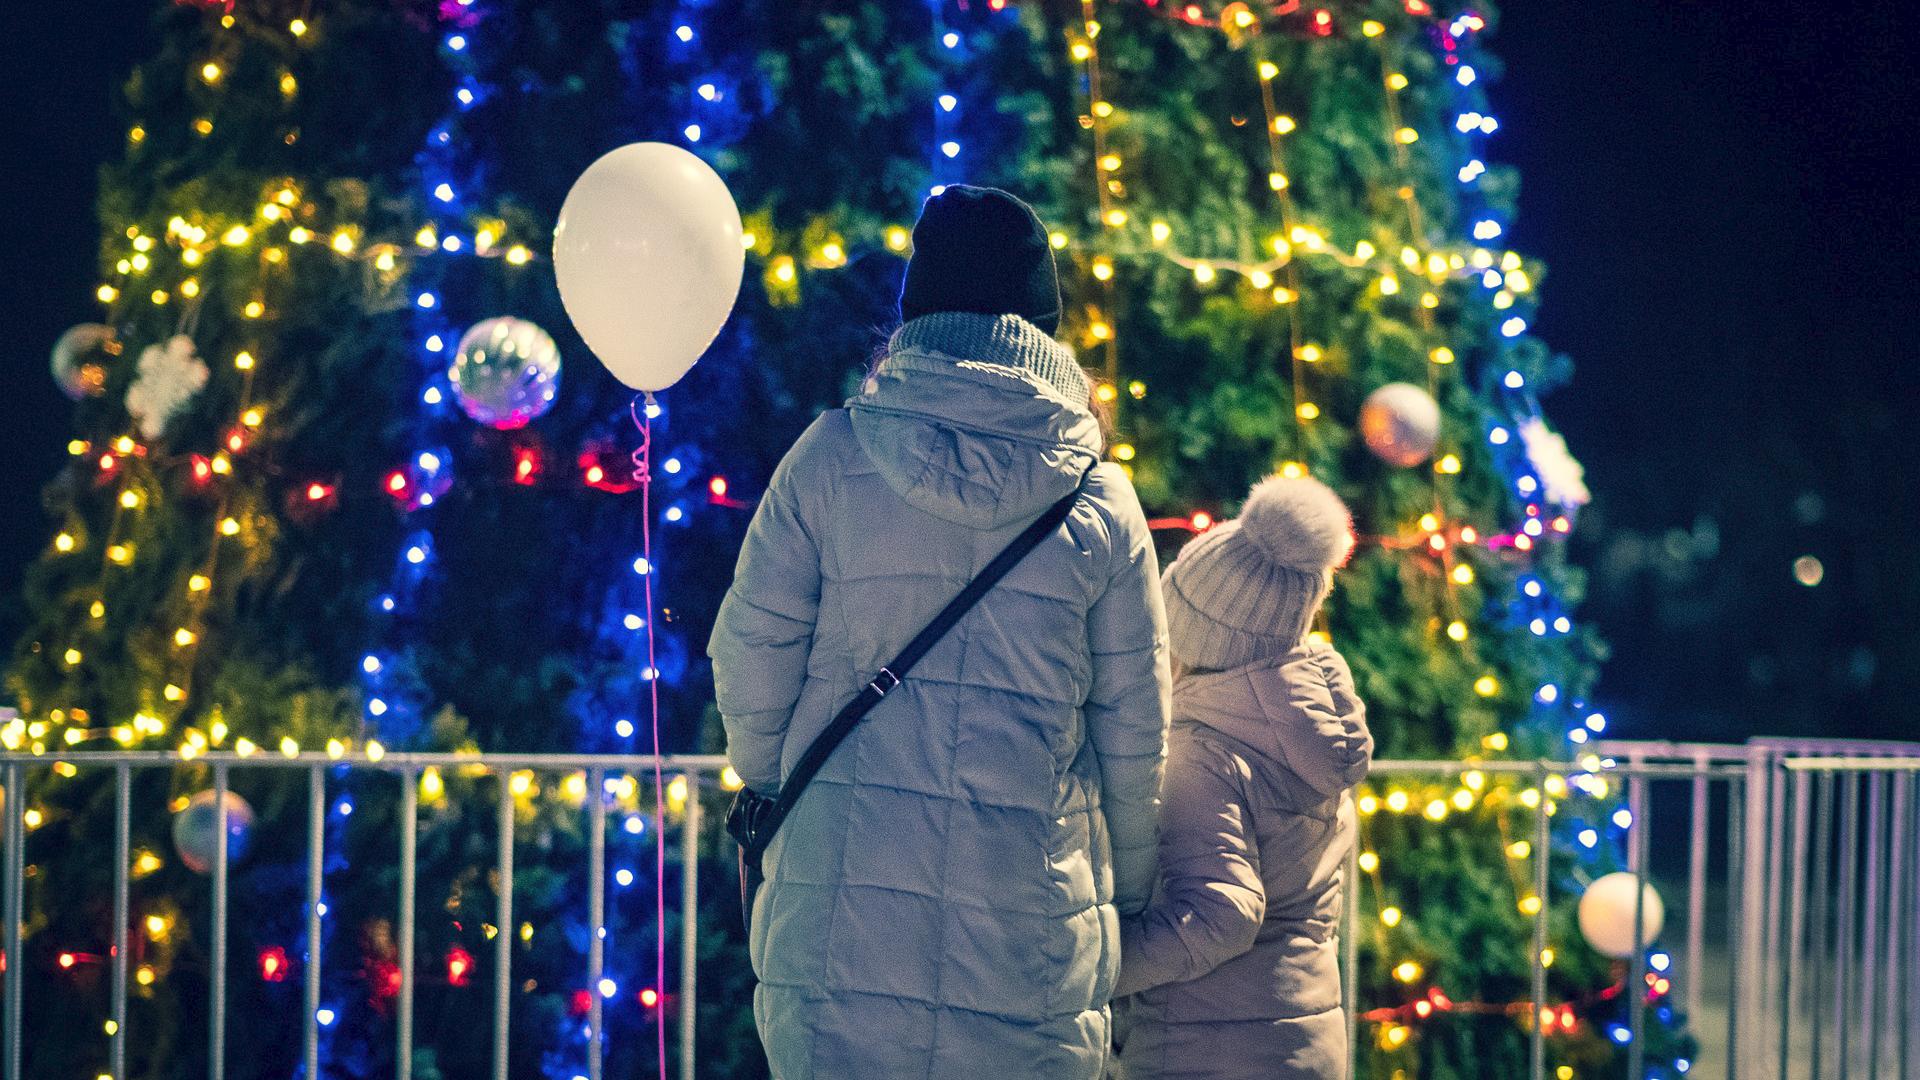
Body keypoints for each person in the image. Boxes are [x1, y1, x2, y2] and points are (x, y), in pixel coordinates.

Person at [710, 184, 1171, 1079]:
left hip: (838, 917)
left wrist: (784, 786)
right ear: (1045, 330)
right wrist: (1137, 894)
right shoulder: (1101, 505)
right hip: (1027, 930)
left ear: (914, 319)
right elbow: (1136, 733)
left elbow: (750, 653)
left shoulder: (830, 457)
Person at [1112, 474, 1372, 1080]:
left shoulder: (1205, 751)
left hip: (1209, 1048)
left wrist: (1095, 963)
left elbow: (1221, 914)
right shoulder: (1303, 730)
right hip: (1302, 1039)